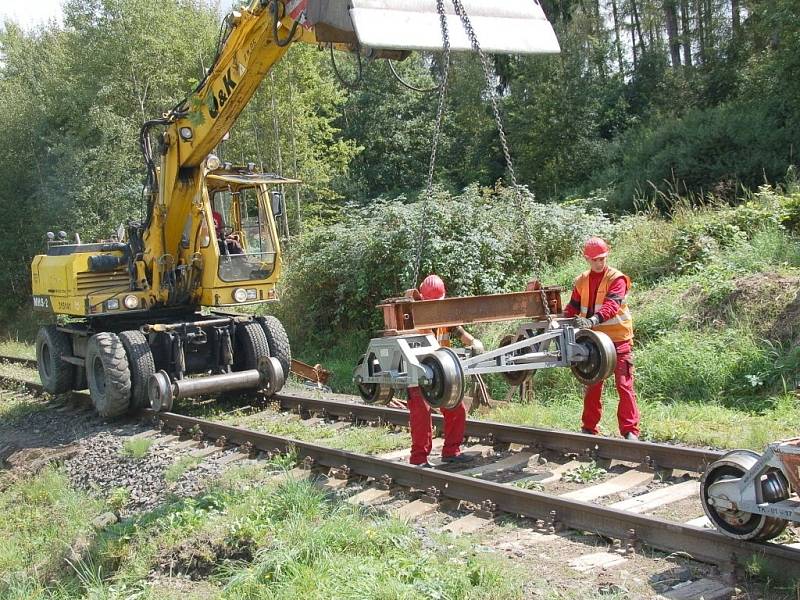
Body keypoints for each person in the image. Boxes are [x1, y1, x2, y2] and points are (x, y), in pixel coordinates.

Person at [563, 237, 640, 441]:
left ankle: (630, 430)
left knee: (624, 385)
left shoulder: (617, 279)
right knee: (593, 384)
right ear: (587, 259)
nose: (600, 262)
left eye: (603, 258)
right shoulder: (581, 281)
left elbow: (612, 305)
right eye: (596, 259)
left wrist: (593, 320)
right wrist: (561, 322)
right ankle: (589, 428)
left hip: (618, 339)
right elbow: (573, 307)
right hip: (595, 342)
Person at [407, 274, 484, 467]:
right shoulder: (413, 319)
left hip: (441, 375)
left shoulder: (444, 317)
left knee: (456, 409)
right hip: (418, 376)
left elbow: (461, 333)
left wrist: (474, 342)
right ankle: (419, 459)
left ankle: (451, 452)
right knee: (421, 417)